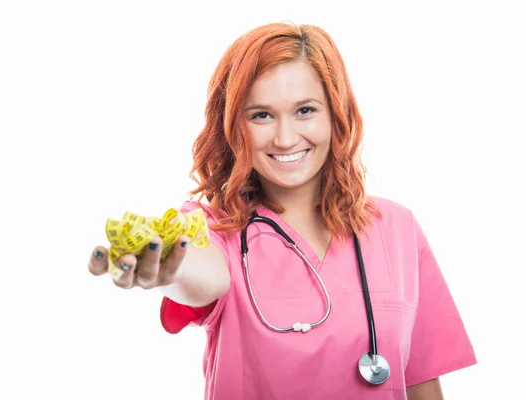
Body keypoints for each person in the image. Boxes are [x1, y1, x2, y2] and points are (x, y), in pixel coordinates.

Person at [88, 22, 477, 399]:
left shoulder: (397, 228)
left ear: (335, 113)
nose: (286, 137)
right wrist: (168, 266)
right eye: (261, 115)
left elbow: (422, 381)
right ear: (233, 126)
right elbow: (196, 270)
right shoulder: (215, 229)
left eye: (305, 110)